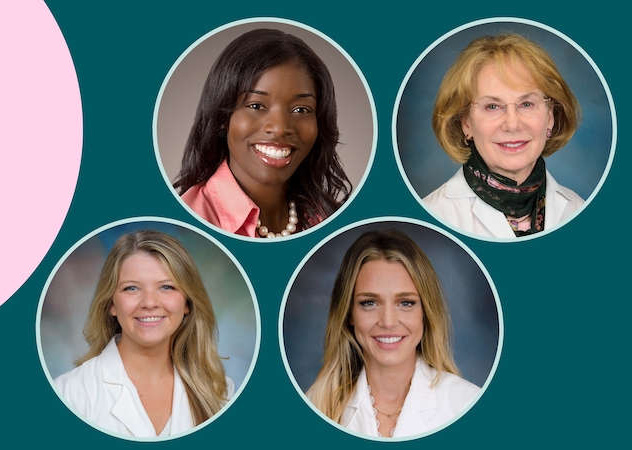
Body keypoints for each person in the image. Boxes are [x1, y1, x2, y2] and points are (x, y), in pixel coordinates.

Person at [175, 28, 351, 238]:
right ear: (222, 117)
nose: (279, 128)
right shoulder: (187, 226)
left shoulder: (330, 220)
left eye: (301, 110)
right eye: (256, 105)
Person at [53, 230, 232, 437]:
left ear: (187, 303)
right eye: (131, 289)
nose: (149, 303)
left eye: (166, 287)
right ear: (111, 303)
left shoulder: (220, 393)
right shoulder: (70, 393)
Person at [306, 229, 480, 438]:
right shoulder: (315, 404)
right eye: (369, 303)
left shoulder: (467, 402)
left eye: (406, 303)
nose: (388, 322)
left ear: (425, 312)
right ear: (348, 313)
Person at [424, 33, 584, 238]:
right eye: (492, 106)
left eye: (526, 104)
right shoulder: (435, 216)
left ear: (550, 117)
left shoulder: (577, 208)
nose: (512, 124)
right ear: (466, 123)